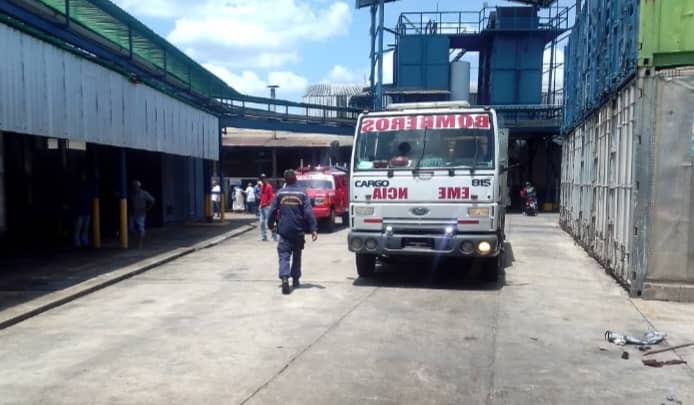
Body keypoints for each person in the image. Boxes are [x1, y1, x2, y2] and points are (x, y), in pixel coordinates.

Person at [267, 169, 318, 295]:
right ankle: (295, 280)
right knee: (297, 255)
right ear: (295, 179)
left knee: (284, 255)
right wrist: (313, 229)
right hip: (298, 230)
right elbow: (309, 212)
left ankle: (285, 277)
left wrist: (270, 224)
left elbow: (272, 211)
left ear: (285, 180)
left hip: (284, 230)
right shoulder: (303, 193)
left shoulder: (279, 194)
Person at [128, 180, 155, 249]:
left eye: (136, 186)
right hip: (132, 214)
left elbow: (152, 200)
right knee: (131, 228)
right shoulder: (131, 193)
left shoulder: (144, 193)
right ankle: (135, 240)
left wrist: (147, 209)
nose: (135, 188)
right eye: (133, 186)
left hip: (141, 214)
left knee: (141, 228)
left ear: (139, 187)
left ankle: (140, 243)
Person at [73, 174, 95, 248]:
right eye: (82, 175)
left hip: (86, 208)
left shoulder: (88, 186)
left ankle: (84, 239)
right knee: (79, 224)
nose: (83, 177)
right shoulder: (78, 187)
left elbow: (91, 194)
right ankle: (77, 239)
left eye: (85, 175)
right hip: (80, 209)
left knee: (86, 225)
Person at [258, 174, 277, 242]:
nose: (263, 180)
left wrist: (267, 203)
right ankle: (264, 237)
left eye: (264, 178)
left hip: (267, 207)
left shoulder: (269, 186)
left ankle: (274, 235)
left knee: (268, 222)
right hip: (261, 206)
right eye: (261, 178)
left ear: (266, 179)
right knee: (261, 223)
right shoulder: (261, 187)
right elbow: (261, 196)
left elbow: (271, 197)